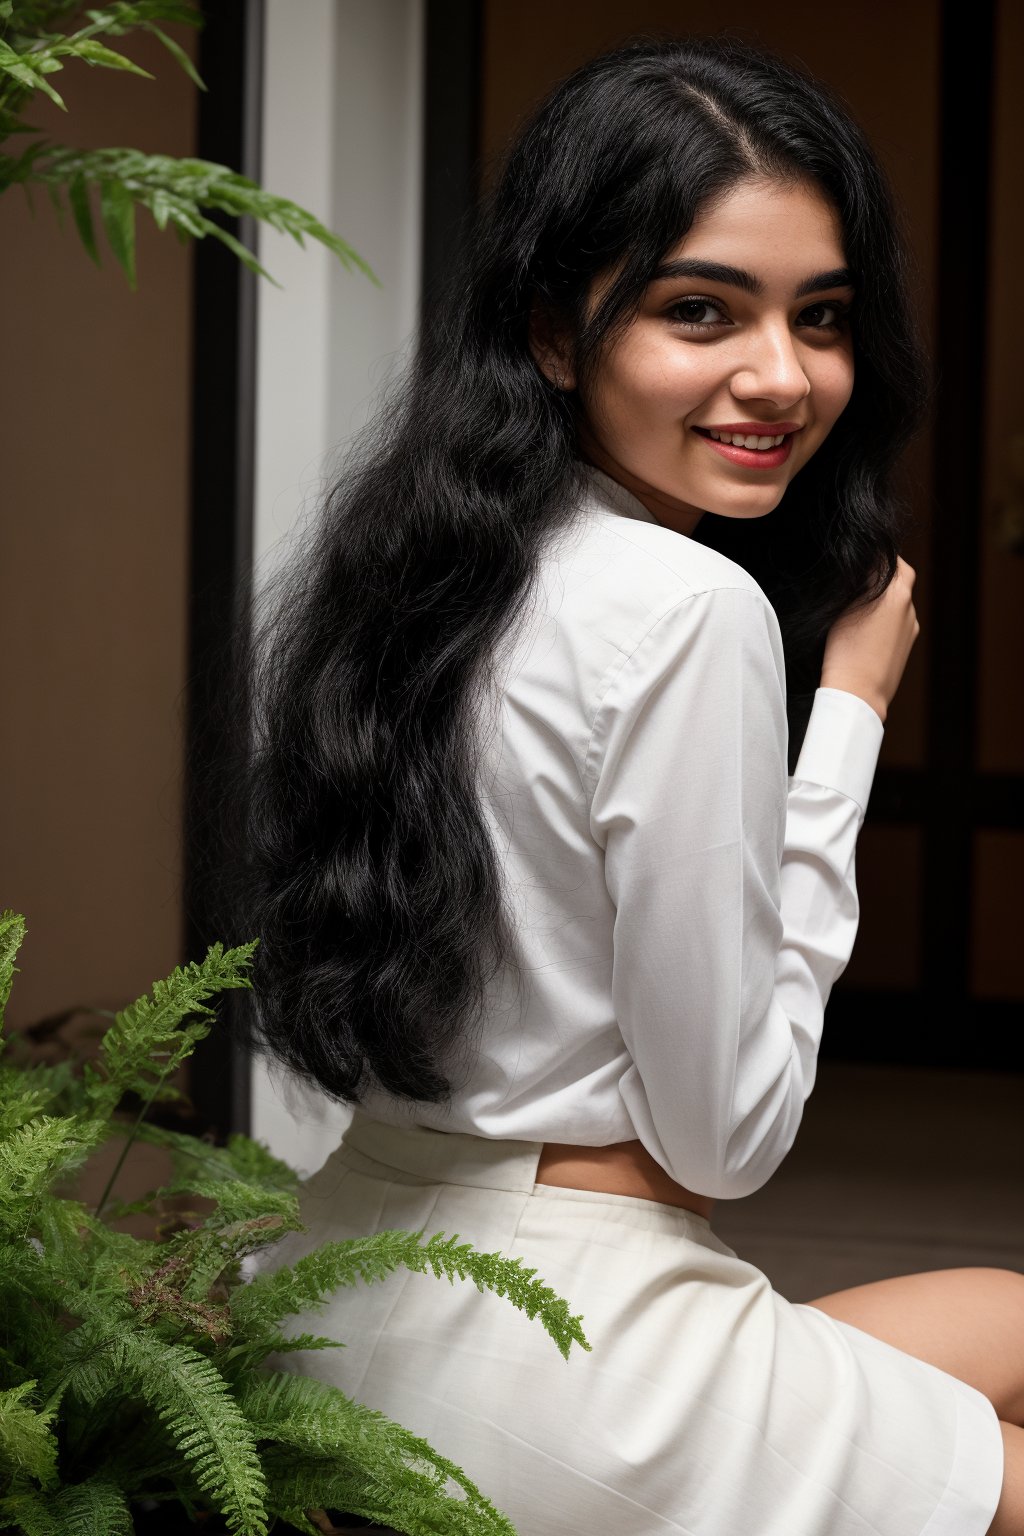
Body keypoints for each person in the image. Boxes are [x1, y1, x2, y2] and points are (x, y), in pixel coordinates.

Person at [223, 35, 1022, 1536]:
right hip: (581, 1356)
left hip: (356, 1293)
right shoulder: (682, 606)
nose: (781, 377)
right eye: (701, 310)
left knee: (1007, 1317)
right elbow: (727, 1137)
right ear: (552, 329)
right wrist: (845, 716)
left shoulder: (434, 571)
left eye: (824, 317)